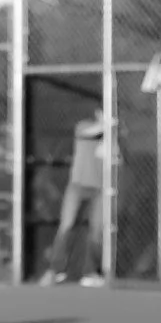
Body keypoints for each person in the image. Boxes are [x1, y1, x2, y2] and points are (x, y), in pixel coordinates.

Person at [39, 107, 108, 286]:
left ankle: (91, 273)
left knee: (97, 231)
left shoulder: (112, 135)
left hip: (101, 189)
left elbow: (117, 158)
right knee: (66, 226)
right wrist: (106, 125)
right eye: (104, 111)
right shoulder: (84, 126)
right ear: (98, 113)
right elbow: (92, 132)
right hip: (78, 186)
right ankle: (55, 271)